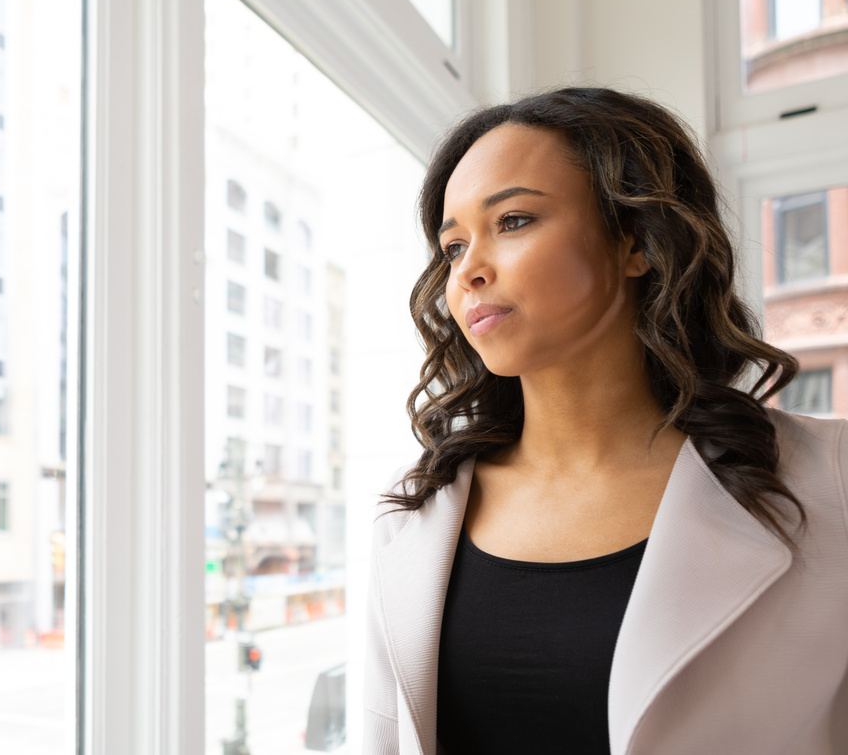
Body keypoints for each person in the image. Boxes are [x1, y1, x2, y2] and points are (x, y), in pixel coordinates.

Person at [362, 87, 848, 755]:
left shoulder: (829, 480)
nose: (468, 270)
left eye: (512, 221)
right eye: (451, 247)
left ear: (635, 241)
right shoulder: (412, 516)